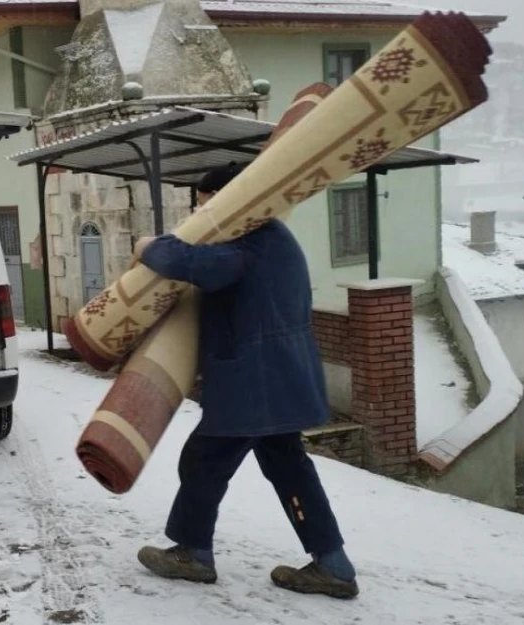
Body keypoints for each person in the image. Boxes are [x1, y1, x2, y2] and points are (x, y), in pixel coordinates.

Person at [132, 163, 359, 599]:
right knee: (288, 466)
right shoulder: (270, 235)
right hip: (276, 376)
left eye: (205, 206)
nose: (203, 216)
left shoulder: (247, 239)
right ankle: (334, 564)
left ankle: (193, 553)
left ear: (227, 201)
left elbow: (192, 262)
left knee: (204, 459)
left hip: (255, 381)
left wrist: (147, 246)